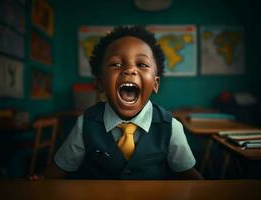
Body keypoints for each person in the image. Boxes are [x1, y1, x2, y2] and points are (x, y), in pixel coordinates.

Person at [32, 25, 203, 180]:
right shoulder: (86, 123)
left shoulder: (171, 127)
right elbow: (62, 167)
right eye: (116, 64)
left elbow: (187, 174)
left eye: (142, 64)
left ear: (155, 84)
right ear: (100, 83)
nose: (129, 69)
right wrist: (40, 180)